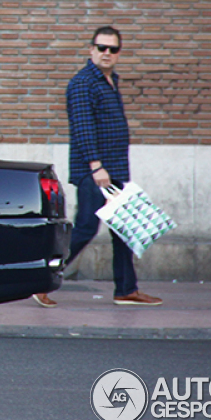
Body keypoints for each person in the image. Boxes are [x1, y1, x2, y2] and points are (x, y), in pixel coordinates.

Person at [33, 27, 162, 308]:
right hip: (97, 171)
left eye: (112, 49)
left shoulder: (110, 80)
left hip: (114, 169)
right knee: (85, 228)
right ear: (91, 50)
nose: (107, 53)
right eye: (101, 47)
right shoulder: (83, 83)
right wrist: (96, 166)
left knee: (123, 230)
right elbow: (83, 128)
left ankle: (126, 290)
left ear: (118, 53)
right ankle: (41, 280)